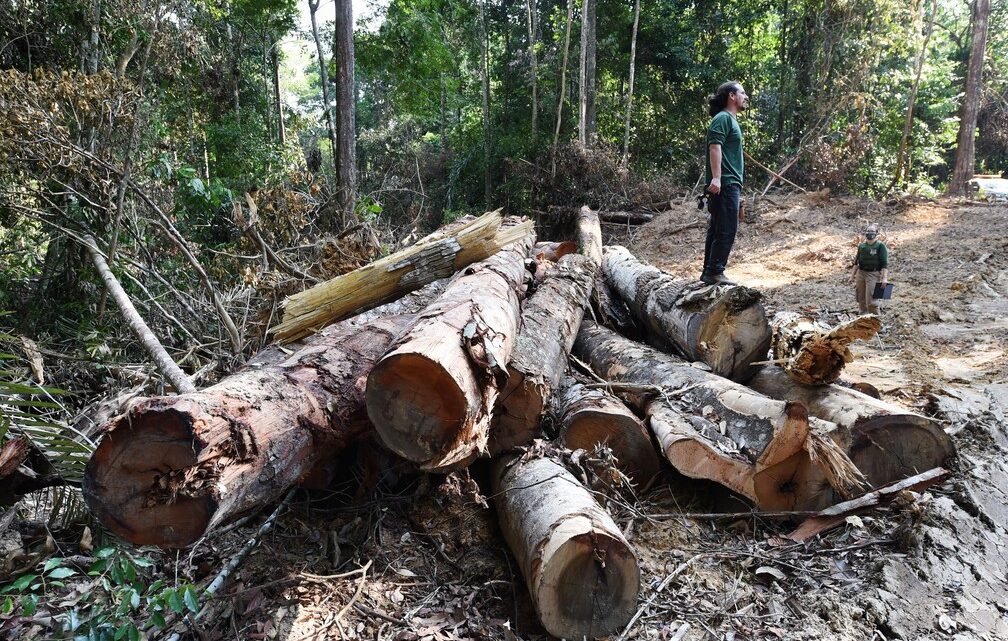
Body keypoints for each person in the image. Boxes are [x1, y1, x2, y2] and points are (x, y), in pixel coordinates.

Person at [701, 81, 749, 285]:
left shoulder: (729, 120)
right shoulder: (722, 119)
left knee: (718, 227)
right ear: (732, 96)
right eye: (742, 93)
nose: (746, 96)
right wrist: (717, 178)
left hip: (730, 183)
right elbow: (715, 147)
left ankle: (709, 272)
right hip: (725, 183)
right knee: (727, 228)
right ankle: (715, 271)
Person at [848, 223, 889, 314]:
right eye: (868, 231)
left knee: (871, 299)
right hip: (861, 273)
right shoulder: (862, 246)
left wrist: (884, 278)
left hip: (873, 274)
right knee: (860, 297)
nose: (869, 233)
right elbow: (856, 262)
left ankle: (875, 319)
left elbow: (884, 264)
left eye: (872, 231)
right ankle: (862, 316)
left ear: (876, 233)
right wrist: (852, 276)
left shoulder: (880, 246)